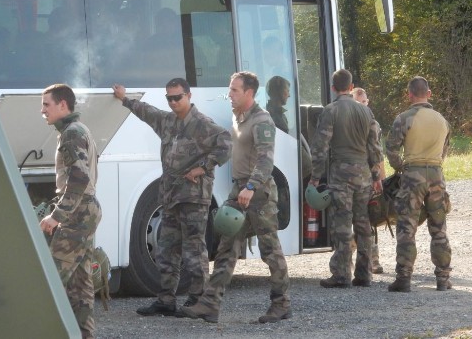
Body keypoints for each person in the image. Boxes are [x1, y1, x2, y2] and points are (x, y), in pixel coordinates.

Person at [112, 78, 232, 314]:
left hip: (193, 198)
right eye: (169, 98)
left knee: (194, 250)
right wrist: (124, 99)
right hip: (170, 196)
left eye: (178, 97)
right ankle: (166, 300)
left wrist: (203, 167)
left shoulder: (202, 124)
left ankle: (200, 301)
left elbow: (226, 144)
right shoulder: (167, 121)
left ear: (188, 96)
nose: (173, 102)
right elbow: (146, 111)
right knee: (167, 249)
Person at [180, 71, 291, 324]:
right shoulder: (238, 117)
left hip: (258, 192)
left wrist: (251, 186)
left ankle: (281, 304)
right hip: (238, 189)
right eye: (230, 90)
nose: (229, 95)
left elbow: (266, 159)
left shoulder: (262, 120)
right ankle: (209, 304)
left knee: (269, 249)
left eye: (234, 90)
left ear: (249, 93)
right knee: (226, 247)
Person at [309, 69, 382, 288]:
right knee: (363, 223)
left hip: (340, 174)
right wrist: (376, 175)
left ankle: (341, 274)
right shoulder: (366, 113)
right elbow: (375, 148)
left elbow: (320, 148)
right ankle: (364, 274)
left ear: (333, 88)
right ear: (351, 88)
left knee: (341, 222)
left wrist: (315, 177)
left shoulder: (330, 111)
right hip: (364, 175)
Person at [39, 84, 102, 339]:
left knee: (51, 280)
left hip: (77, 213)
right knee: (80, 283)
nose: (42, 110)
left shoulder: (71, 133)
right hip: (85, 210)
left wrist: (57, 216)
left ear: (63, 105)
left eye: (46, 104)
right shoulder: (77, 129)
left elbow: (78, 179)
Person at [385, 76, 452, 292]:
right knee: (439, 227)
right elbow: (444, 152)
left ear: (409, 94)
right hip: (436, 175)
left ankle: (403, 278)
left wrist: (400, 167)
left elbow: (392, 149)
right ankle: (443, 278)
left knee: (406, 226)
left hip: (412, 175)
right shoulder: (442, 120)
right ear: (429, 94)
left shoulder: (404, 118)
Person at [352, 87, 386, 274]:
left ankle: (373, 259)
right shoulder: (348, 121)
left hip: (367, 175)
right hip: (354, 175)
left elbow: (377, 152)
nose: (363, 105)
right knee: (354, 219)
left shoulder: (374, 123)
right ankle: (353, 256)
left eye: (365, 102)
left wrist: (380, 176)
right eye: (359, 102)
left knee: (369, 218)